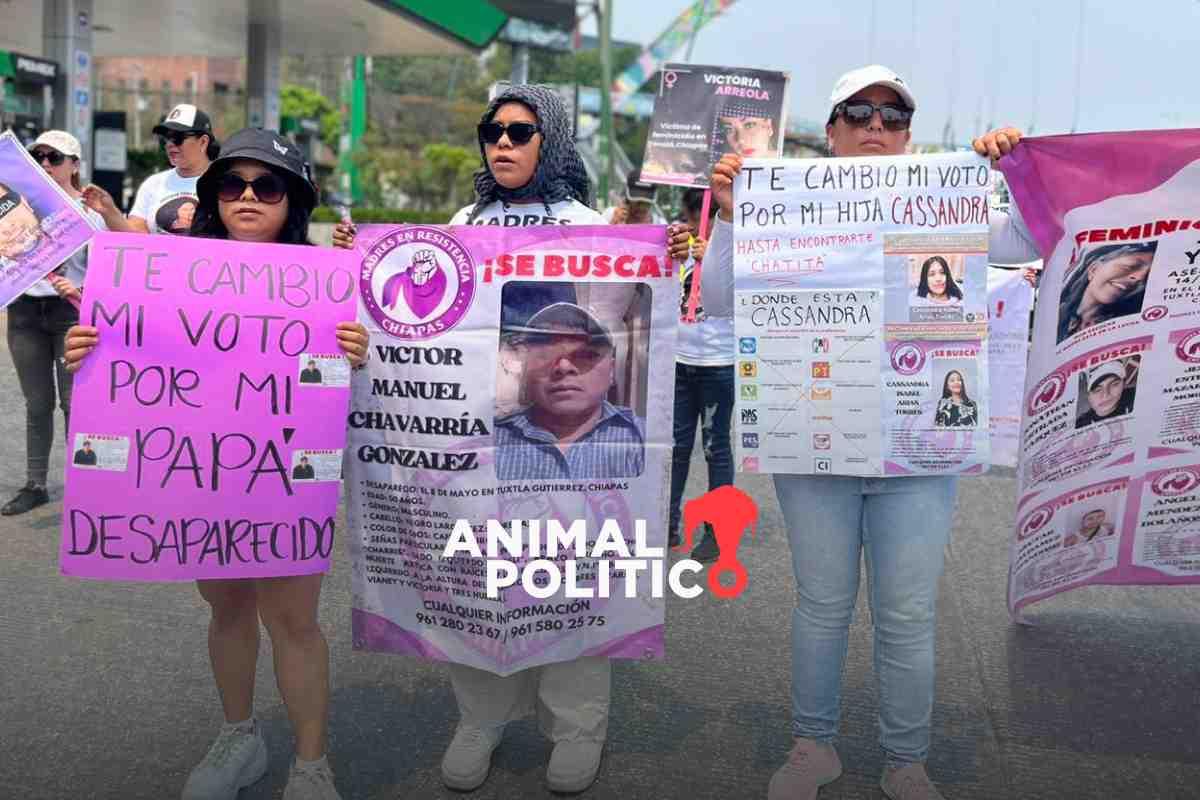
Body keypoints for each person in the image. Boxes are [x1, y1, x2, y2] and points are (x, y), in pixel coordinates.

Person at [670, 65, 1044, 800]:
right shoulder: (779, 198)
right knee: (821, 605)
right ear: (832, 129)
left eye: (893, 116)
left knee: (907, 613)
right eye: (859, 113)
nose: (877, 126)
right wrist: (732, 215)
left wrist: (1019, 168)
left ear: (908, 135)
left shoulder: (950, 201)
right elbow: (714, 299)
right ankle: (815, 747)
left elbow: (1028, 238)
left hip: (917, 446)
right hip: (812, 440)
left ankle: (907, 760)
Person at [64, 128, 369, 800]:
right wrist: (90, 351)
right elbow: (127, 359)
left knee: (293, 620)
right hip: (206, 480)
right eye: (232, 185)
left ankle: (312, 767)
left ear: (294, 200)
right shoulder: (166, 277)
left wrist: (357, 351)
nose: (249, 197)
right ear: (213, 197)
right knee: (227, 609)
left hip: (285, 479)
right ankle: (240, 737)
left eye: (268, 185)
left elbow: (347, 383)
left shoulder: (327, 283)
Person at [339, 84, 610, 794]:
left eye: (521, 132)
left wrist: (666, 255)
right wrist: (356, 269)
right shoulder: (461, 221)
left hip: (557, 438)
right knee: (477, 578)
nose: (503, 144)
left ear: (550, 140)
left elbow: (635, 319)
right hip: (471, 442)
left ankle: (578, 726)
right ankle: (481, 717)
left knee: (564, 575)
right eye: (493, 131)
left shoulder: (591, 223)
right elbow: (415, 321)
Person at [2, 131, 106, 516]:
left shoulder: (91, 210)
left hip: (70, 315)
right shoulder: (14, 205)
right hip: (25, 312)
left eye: (55, 157)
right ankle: (36, 484)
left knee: (74, 404)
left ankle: (84, 490)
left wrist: (78, 285)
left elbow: (112, 269)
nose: (45, 163)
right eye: (38, 156)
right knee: (37, 403)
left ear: (74, 164)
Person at [495, 302, 645, 481]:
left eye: (586, 355)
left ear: (611, 371)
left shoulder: (643, 437)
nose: (564, 367)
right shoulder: (489, 439)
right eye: (546, 355)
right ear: (526, 369)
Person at [668, 187, 731, 561]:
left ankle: (717, 532)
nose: (694, 230)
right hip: (678, 361)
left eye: (700, 222)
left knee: (716, 448)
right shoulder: (679, 246)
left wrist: (716, 260)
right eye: (689, 221)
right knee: (675, 448)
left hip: (719, 364)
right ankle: (668, 521)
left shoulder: (730, 247)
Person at [82, 103, 219, 235]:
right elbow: (137, 237)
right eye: (165, 138)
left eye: (177, 138)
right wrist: (109, 211)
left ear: (203, 142)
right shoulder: (153, 184)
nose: (169, 144)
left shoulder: (224, 182)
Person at [1056, 242, 1155, 344]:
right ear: (1094, 269)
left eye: (1148, 277)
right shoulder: (1057, 314)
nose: (1140, 278)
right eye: (1130, 266)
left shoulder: (1133, 329)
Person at [1075, 361, 1136, 429]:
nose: (1106, 395)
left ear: (1123, 383)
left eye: (1114, 384)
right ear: (1088, 396)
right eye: (1097, 390)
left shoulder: (1136, 396)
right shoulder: (1081, 425)